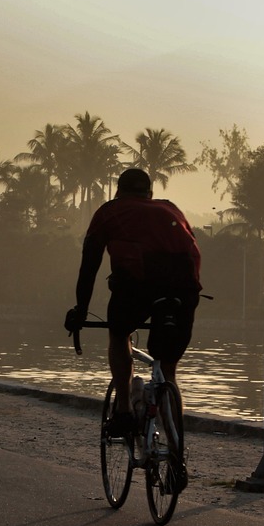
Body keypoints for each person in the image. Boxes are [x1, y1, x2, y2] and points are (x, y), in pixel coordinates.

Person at [64, 167, 202, 438]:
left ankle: (124, 410)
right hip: (184, 290)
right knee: (167, 369)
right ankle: (175, 452)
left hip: (136, 288)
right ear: (150, 194)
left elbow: (89, 266)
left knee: (119, 335)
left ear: (118, 192)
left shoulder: (109, 211)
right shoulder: (171, 209)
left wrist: (81, 309)